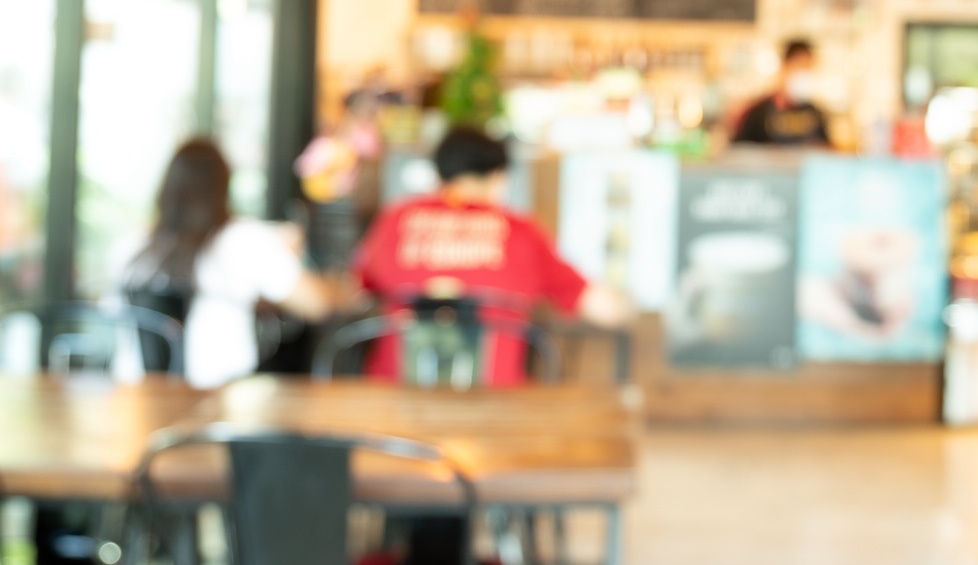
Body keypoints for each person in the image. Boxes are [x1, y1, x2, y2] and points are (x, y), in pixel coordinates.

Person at [354, 126, 629, 384]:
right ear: (498, 177)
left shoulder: (394, 220)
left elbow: (353, 291)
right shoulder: (520, 230)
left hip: (394, 406)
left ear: (439, 174)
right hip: (498, 409)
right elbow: (604, 310)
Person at [123, 139, 336, 388]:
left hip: (139, 399)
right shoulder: (241, 240)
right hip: (223, 401)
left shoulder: (132, 248)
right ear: (223, 187)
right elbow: (319, 305)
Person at [730, 38, 831, 147]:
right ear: (785, 66)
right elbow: (738, 153)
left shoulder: (815, 114)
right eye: (800, 66)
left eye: (808, 69)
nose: (804, 75)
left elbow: (826, 149)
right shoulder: (758, 113)